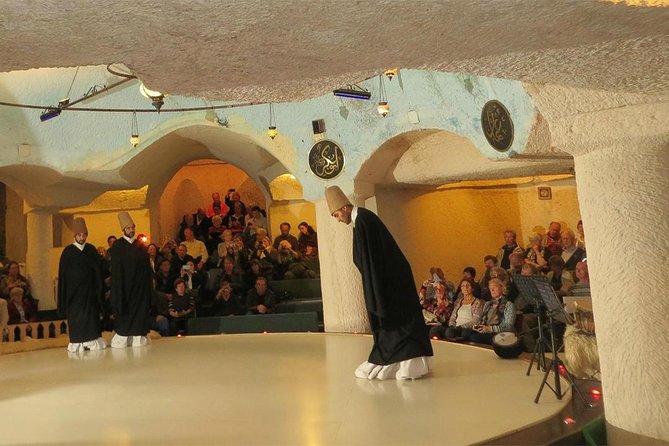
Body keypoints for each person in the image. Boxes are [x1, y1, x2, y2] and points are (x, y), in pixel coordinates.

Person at [325, 185, 433, 380]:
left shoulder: (364, 220)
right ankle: (394, 362)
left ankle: (405, 364)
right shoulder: (362, 220)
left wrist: (376, 294)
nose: (338, 220)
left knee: (396, 321)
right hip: (389, 280)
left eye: (335, 215)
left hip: (392, 282)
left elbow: (373, 260)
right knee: (394, 321)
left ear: (344, 208)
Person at [57, 217, 106, 353]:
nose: (82, 237)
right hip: (74, 295)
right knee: (77, 320)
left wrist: (98, 290)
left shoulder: (91, 250)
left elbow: (97, 272)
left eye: (84, 235)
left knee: (91, 319)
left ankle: (92, 341)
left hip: (90, 294)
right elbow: (63, 277)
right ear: (75, 236)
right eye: (79, 235)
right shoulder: (68, 252)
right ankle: (78, 342)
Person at [109, 211, 153, 348]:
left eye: (133, 227)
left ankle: (138, 336)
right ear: (123, 230)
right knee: (126, 317)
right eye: (128, 228)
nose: (131, 230)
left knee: (139, 316)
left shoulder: (140, 246)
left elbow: (146, 267)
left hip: (139, 289)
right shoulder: (117, 247)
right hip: (125, 288)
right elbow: (116, 271)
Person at [470, 278, 516, 345]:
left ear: (502, 288)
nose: (492, 290)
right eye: (490, 288)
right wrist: (477, 326)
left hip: (499, 334)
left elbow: (509, 326)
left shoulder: (509, 305)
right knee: (466, 333)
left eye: (494, 287)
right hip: (485, 331)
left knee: (474, 337)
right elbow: (481, 319)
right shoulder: (488, 304)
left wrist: (490, 329)